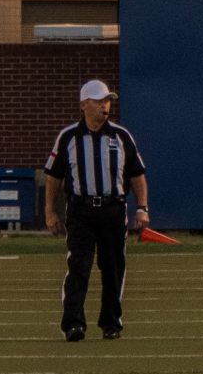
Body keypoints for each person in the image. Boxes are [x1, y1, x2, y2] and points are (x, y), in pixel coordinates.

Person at [42, 78, 149, 342]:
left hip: (113, 209)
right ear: (84, 105)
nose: (105, 106)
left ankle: (111, 322)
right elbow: (53, 177)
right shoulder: (68, 137)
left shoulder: (121, 136)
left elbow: (137, 174)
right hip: (81, 210)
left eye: (107, 100)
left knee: (113, 268)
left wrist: (142, 208)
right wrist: (49, 211)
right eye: (100, 100)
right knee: (78, 266)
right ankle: (73, 324)